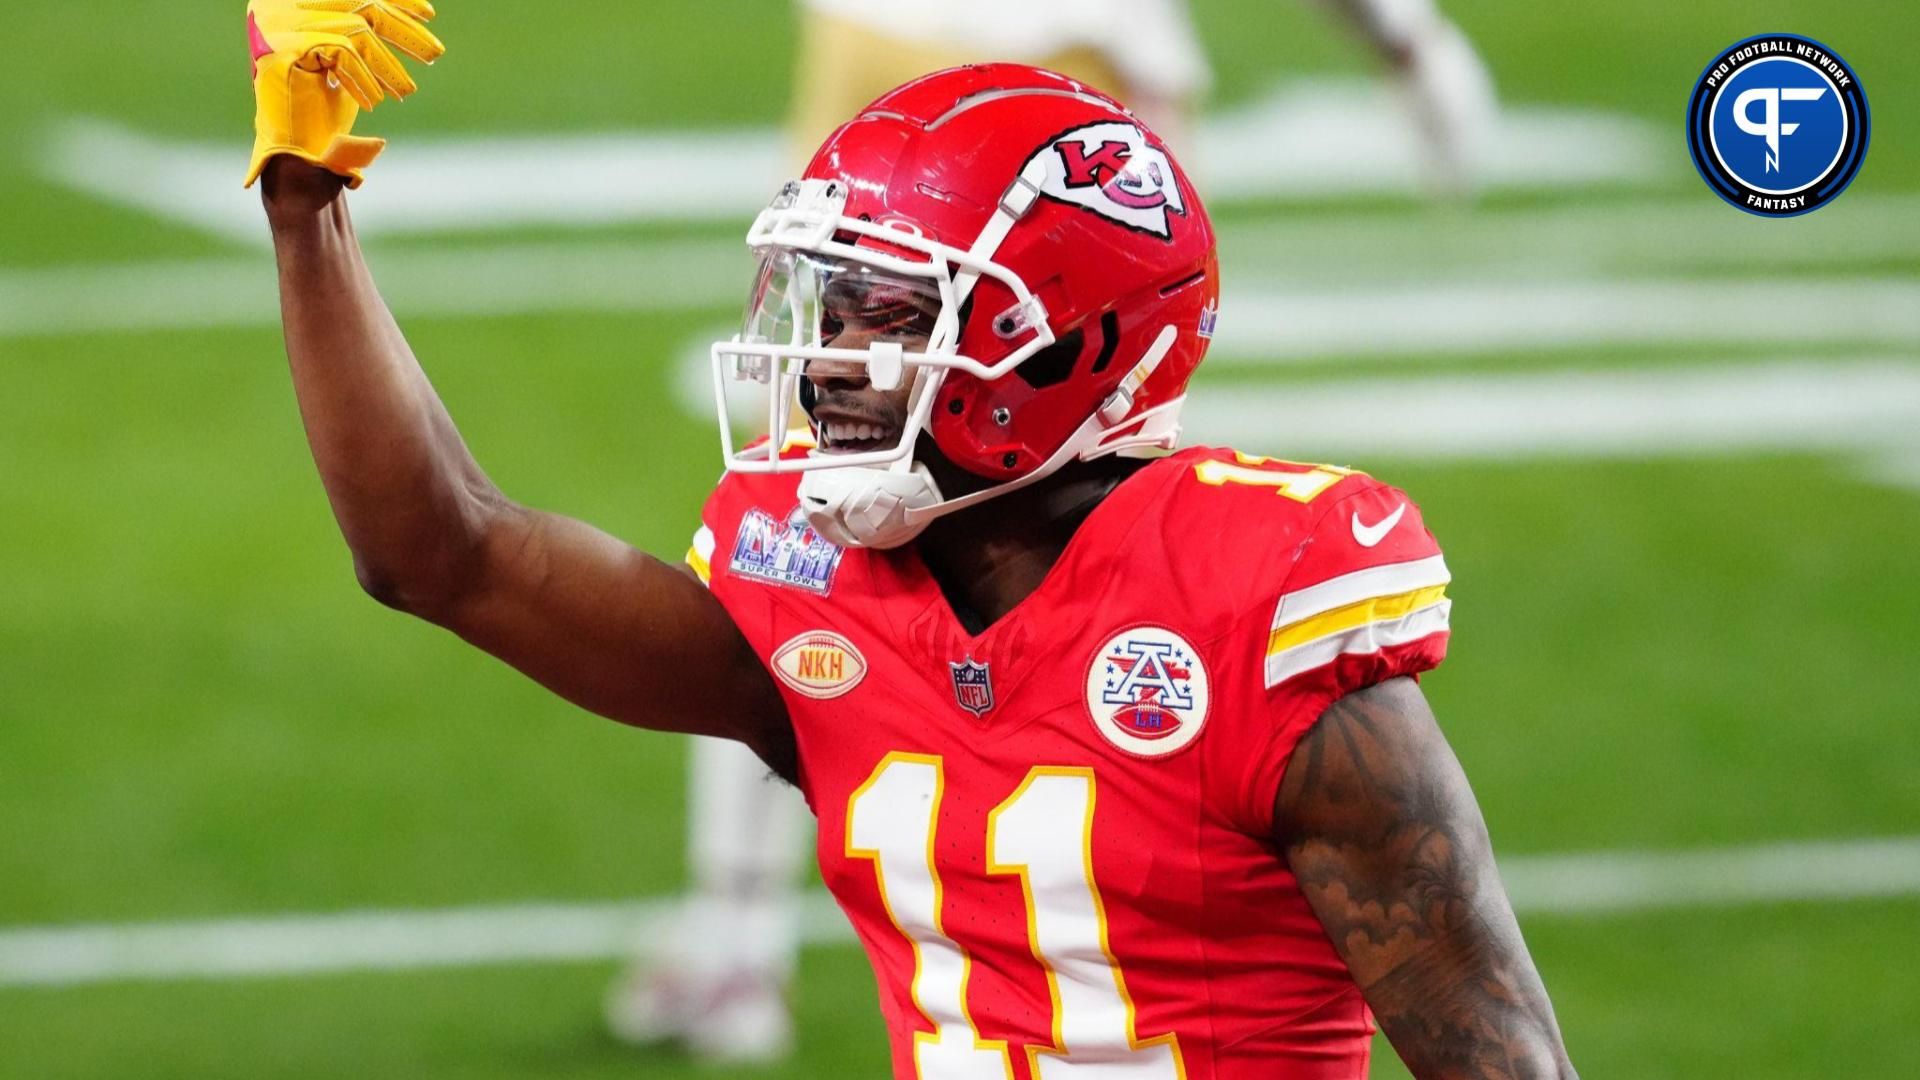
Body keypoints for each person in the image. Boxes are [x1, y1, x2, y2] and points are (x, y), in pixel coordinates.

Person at [245, 2, 1577, 1076]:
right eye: (823, 302)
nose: (822, 360)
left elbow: (1503, 1058)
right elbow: (443, 554)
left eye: (886, 313)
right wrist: (308, 206)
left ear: (1065, 346)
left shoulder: (1250, 612)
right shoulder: (822, 601)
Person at [613, 0, 1499, 1058]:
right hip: (890, 63)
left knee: (1050, 465)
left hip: (1066, 102)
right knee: (811, 515)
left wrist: (1400, 33)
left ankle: (754, 932)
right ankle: (737, 930)